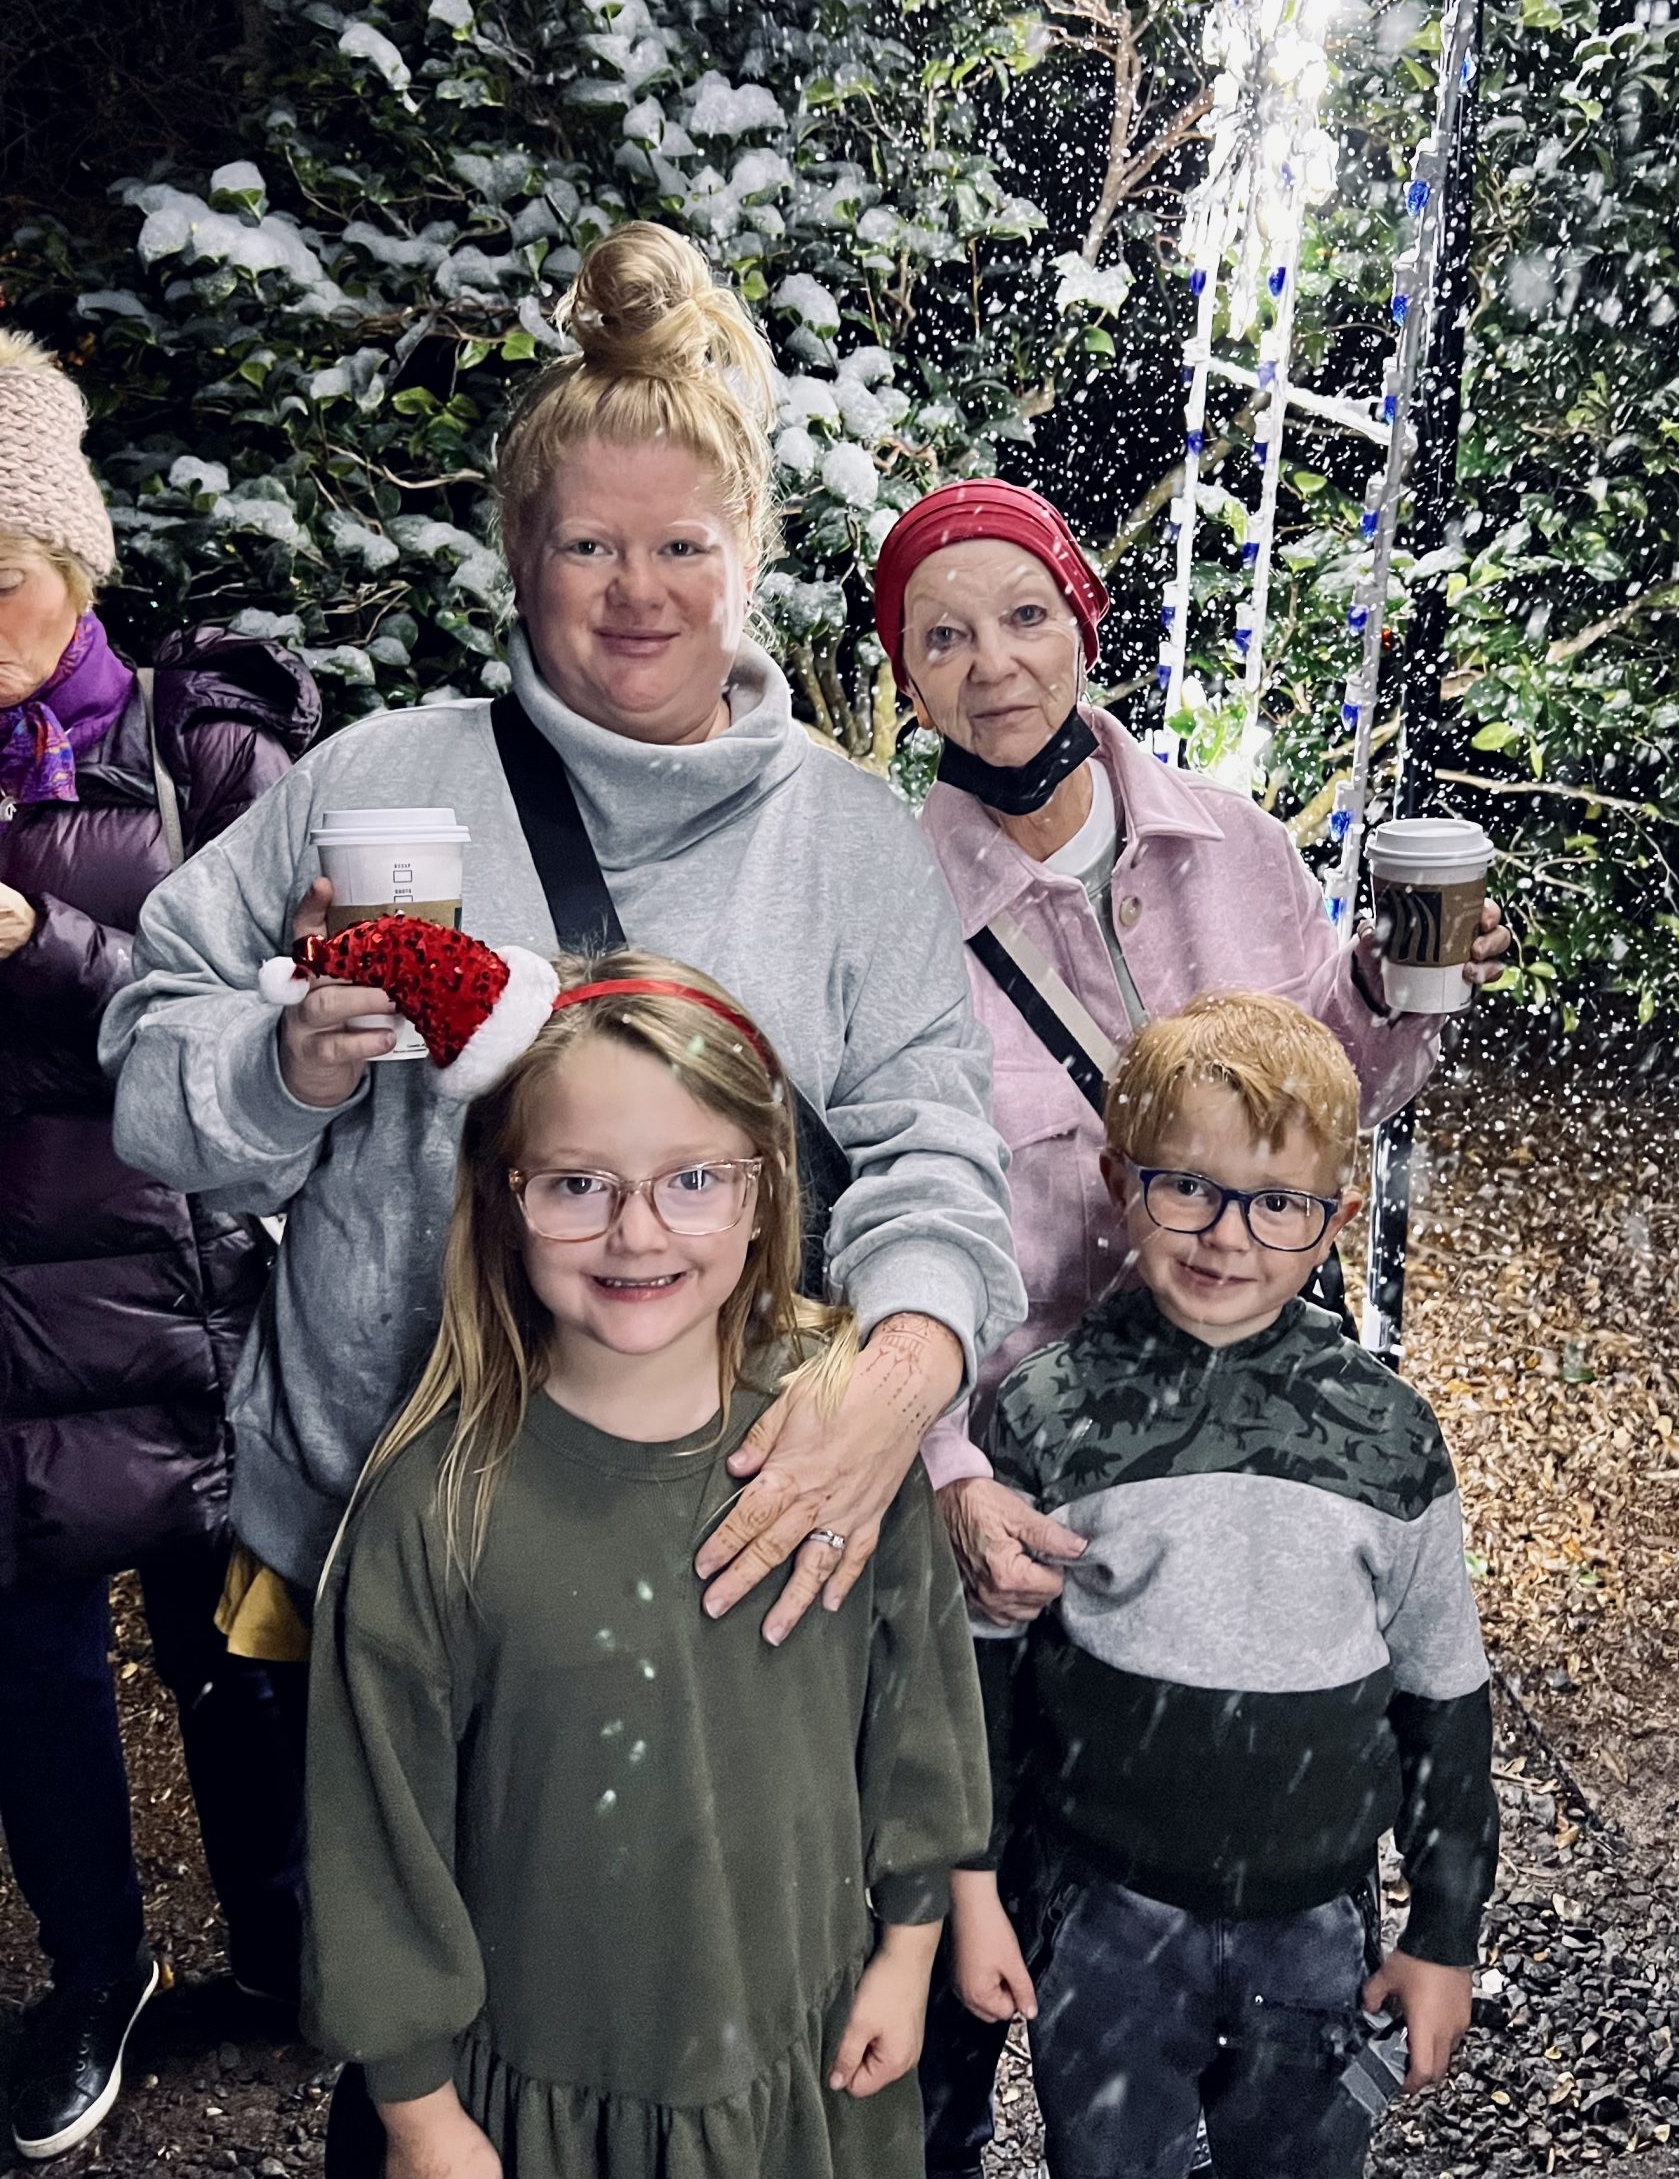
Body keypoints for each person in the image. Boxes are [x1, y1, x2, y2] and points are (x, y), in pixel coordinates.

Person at [101, 223, 1022, 1651]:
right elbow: (152, 1070)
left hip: (708, 1562)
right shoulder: (376, 786)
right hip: (353, 1536)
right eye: (588, 544)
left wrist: (897, 1383)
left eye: (682, 547)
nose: (636, 592)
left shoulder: (846, 841)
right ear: (518, 555)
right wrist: (287, 1067)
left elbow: (937, 1157)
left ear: (750, 557)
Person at [870, 477, 1507, 2179]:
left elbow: (1320, 1101)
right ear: (903, 673)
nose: (994, 664)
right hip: (1020, 1467)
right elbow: (848, 1212)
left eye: (1025, 616)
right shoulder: (882, 904)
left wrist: (1389, 994)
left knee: (1219, 1863)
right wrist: (944, 1473)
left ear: (1084, 623)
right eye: (944, 636)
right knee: (961, 1950)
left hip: (1247, 1438)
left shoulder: (1233, 847)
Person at [303, 947, 990, 2179]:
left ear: (765, 1190)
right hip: (545, 2107)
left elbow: (919, 1705)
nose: (638, 1231)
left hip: (807, 2067)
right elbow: (376, 1833)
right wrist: (417, 2109)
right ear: (501, 1197)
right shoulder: (435, 1506)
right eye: (578, 1182)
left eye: (694, 1180)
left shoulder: (842, 1443)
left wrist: (910, 1941)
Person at [948, 991, 1499, 2179]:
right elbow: (986, 1685)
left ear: (1335, 1216)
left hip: (1318, 1930)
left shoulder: (1389, 1436)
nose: (1226, 1235)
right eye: (1185, 1186)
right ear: (1118, 1181)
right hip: (1103, 1917)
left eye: (1278, 1202)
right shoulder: (1044, 1413)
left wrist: (1445, 1931)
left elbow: (1445, 1698)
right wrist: (974, 1881)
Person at [0, 330, 319, 2160]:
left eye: (4, 575)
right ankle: (94, 1975)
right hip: (9, 1314)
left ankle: (285, 1960)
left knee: (237, 1663)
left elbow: (293, 1015)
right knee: (31, 1676)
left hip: (191, 1298)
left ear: (79, 557)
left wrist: (38, 941)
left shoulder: (199, 747)